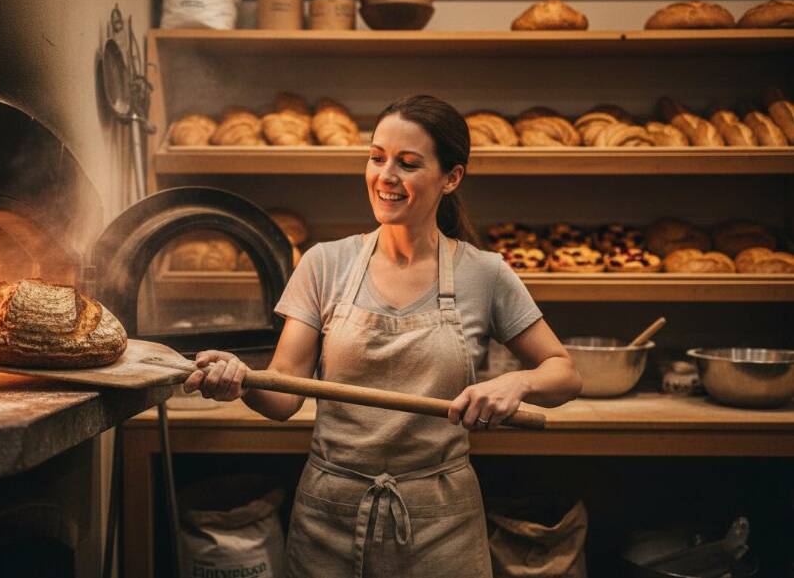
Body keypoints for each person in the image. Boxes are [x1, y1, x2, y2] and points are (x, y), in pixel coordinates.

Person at [183, 95, 582, 578]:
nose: (385, 175)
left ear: (451, 178)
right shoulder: (324, 263)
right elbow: (285, 391)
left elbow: (564, 374)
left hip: (441, 521)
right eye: (377, 158)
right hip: (329, 513)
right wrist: (241, 382)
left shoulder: (484, 274)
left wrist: (515, 384)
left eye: (408, 163)